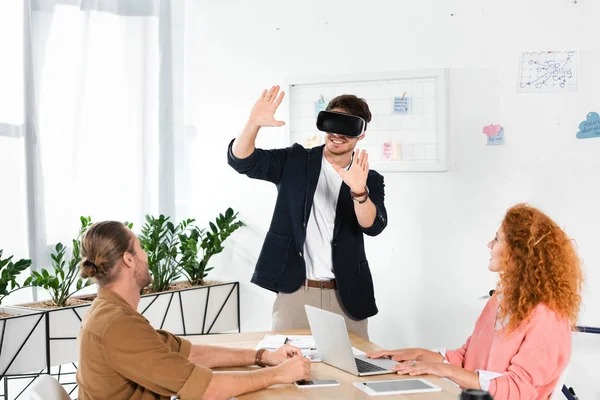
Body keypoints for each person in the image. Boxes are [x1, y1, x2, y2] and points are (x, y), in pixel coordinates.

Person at [367, 203, 583, 400]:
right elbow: (467, 359)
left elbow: (519, 390)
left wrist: (443, 370)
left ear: (518, 252)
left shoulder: (548, 317)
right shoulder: (500, 301)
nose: (489, 244)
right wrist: (419, 355)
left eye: (497, 239)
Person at [76, 221, 310, 400]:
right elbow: (205, 389)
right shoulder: (117, 326)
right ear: (128, 259)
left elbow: (188, 354)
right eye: (141, 248)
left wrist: (262, 356)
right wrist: (279, 375)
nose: (146, 256)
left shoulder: (111, 313)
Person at [227, 85, 388, 339]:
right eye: (333, 123)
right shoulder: (295, 161)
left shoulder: (370, 179)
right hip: (296, 292)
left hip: (347, 297)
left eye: (348, 127)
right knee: (286, 369)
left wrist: (359, 191)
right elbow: (243, 161)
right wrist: (253, 123)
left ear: (361, 134)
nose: (337, 134)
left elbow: (373, 226)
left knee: (352, 369)